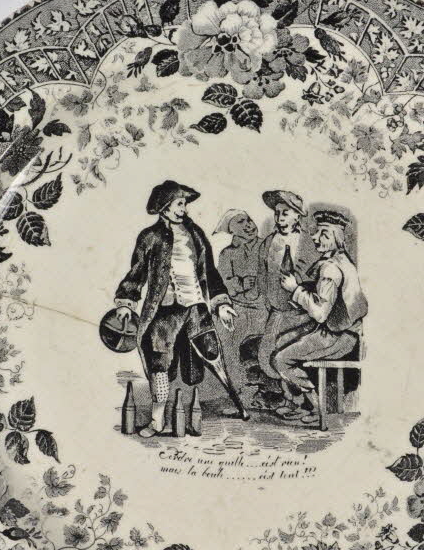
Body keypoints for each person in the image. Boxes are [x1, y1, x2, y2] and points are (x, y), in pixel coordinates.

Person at [114, 181, 248, 436]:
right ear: (164, 207)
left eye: (184, 204)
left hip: (196, 309)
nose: (183, 209)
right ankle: (157, 421)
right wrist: (126, 301)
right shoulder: (150, 237)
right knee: (159, 364)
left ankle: (238, 406)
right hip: (165, 312)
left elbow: (209, 271)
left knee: (211, 355)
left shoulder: (196, 234)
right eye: (179, 204)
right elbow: (137, 272)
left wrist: (221, 303)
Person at [272, 210, 368, 425]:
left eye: (324, 234)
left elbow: (320, 313)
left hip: (341, 336)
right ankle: (298, 403)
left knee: (281, 359)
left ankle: (316, 407)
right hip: (340, 331)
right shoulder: (340, 261)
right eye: (317, 232)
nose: (315, 238)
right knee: (281, 342)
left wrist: (295, 290)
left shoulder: (330, 269)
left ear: (337, 238)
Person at [255, 190, 309, 408]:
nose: (279, 218)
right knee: (267, 357)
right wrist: (267, 299)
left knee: (288, 355)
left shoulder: (307, 242)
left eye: (285, 213)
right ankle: (290, 398)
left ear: (297, 215)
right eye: (277, 213)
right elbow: (262, 273)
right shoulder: (269, 242)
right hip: (277, 311)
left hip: (302, 313)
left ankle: (302, 402)